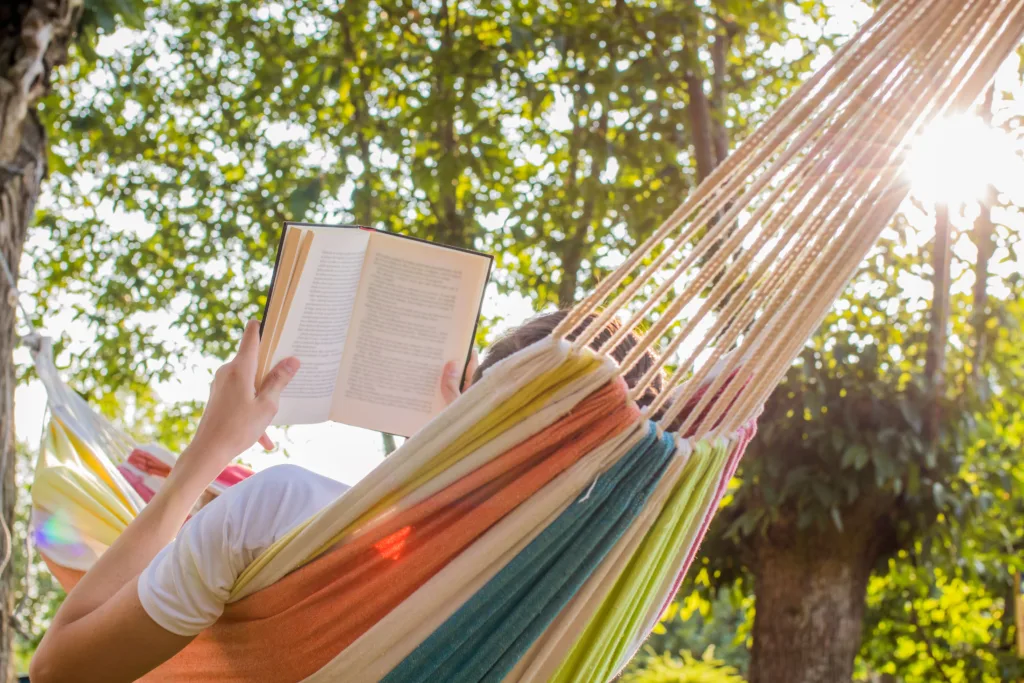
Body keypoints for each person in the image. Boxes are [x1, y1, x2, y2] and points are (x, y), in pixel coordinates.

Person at [30, 310, 662, 683]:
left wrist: (205, 457)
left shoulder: (284, 516)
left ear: (479, 412)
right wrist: (452, 456)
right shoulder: (604, 605)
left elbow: (59, 669)